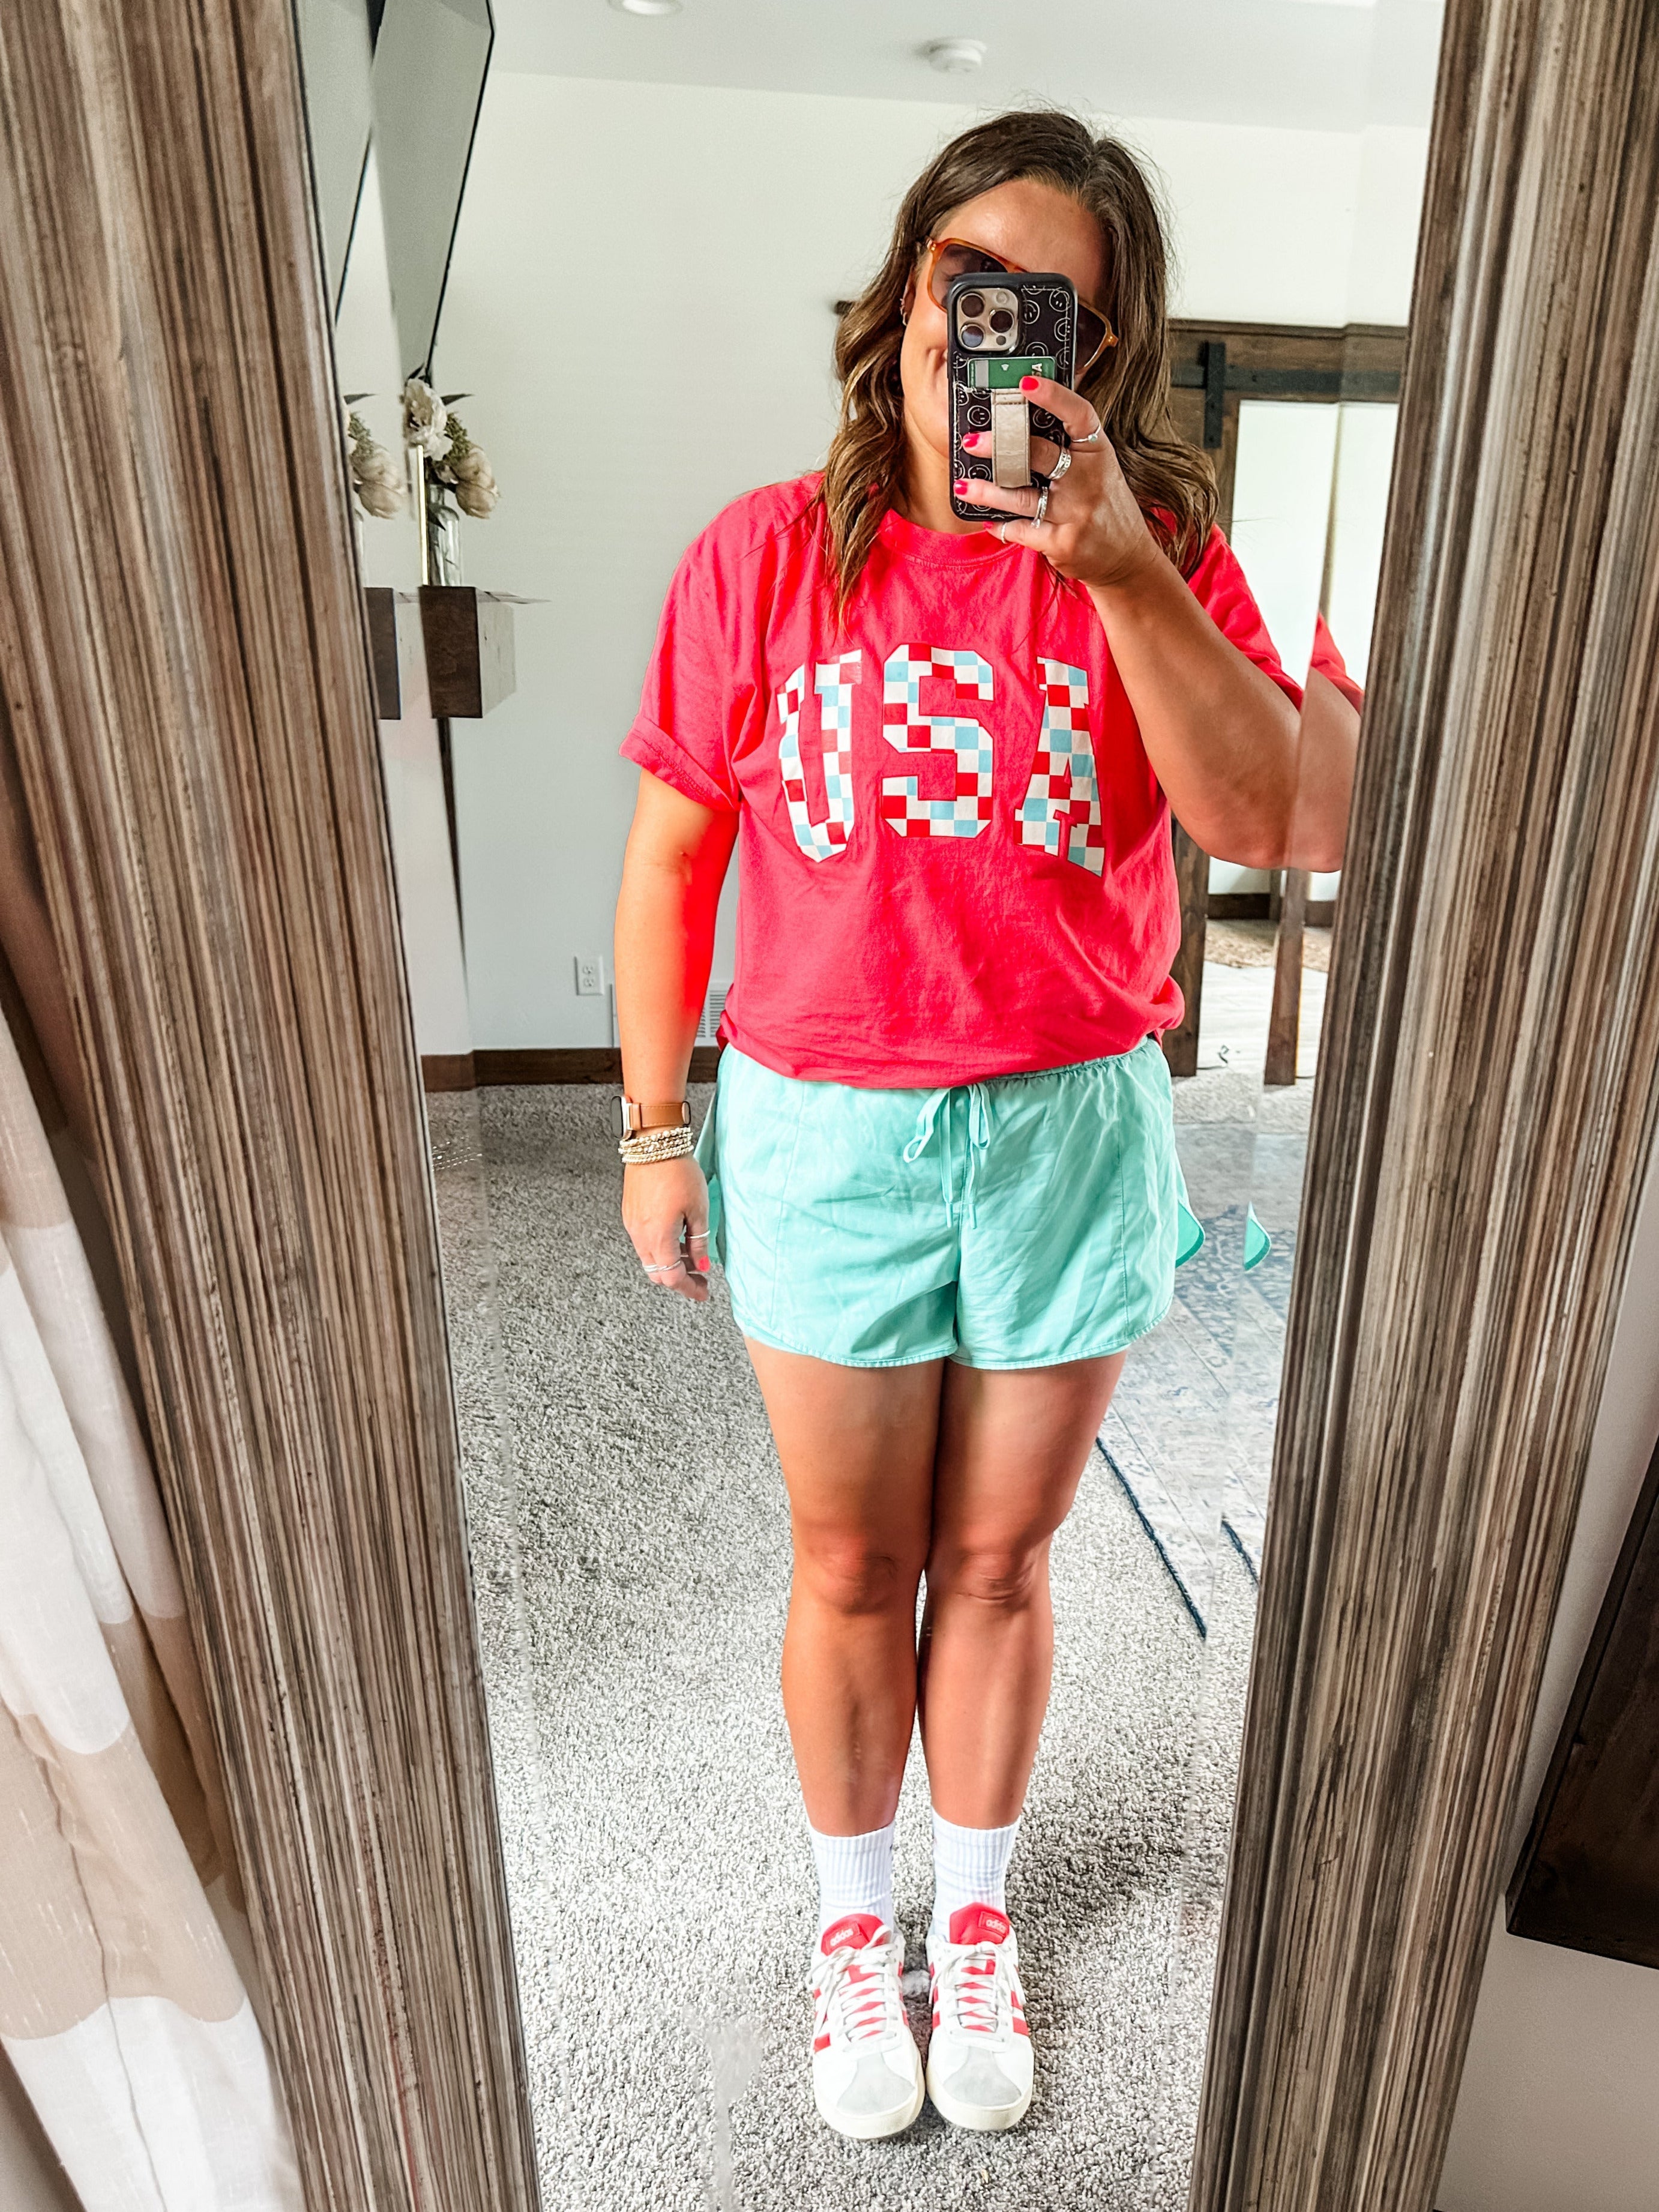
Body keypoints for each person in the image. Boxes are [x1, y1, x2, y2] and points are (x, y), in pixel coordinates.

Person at [612, 110, 1347, 2142]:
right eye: (970, 278)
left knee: (1001, 1560)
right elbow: (672, 860)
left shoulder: (1157, 555)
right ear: (907, 290)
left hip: (1063, 1133)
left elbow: (1275, 819)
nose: (998, 327)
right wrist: (653, 1131)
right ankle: (855, 1926)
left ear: (1097, 358)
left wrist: (1116, 565)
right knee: (854, 1560)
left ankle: (972, 1909)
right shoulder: (764, 554)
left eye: (1056, 312)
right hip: (825, 1131)